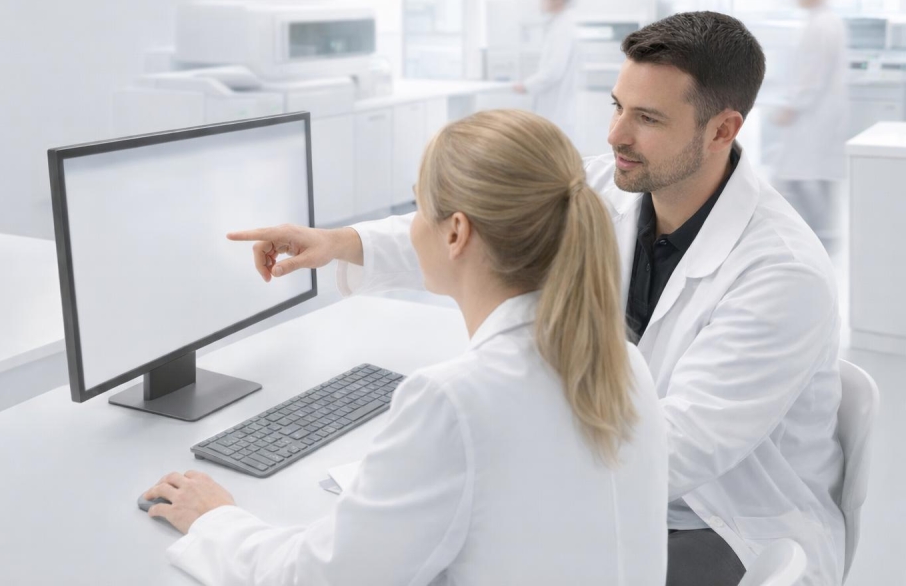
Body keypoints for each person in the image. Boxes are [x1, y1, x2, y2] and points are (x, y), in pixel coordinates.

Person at [219, 12, 845, 586]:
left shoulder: (783, 275)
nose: (616, 134)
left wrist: (457, 465)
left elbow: (672, 448)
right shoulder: (612, 185)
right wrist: (339, 242)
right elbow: (489, 230)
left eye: (648, 119)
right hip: (620, 486)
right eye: (617, 106)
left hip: (718, 522)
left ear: (723, 130)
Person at [143, 110, 669, 585]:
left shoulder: (454, 400)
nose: (413, 226)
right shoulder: (622, 362)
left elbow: (317, 579)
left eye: (420, 206)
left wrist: (216, 520)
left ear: (456, 232)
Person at [771, 0, 849, 245]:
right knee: (813, 176)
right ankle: (822, 235)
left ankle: (816, 237)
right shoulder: (826, 21)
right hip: (819, 114)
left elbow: (812, 74)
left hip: (812, 115)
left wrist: (791, 106)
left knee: (796, 175)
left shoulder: (821, 25)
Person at [513, 0, 581, 137]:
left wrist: (526, 85)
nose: (541, 2)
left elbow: (554, 71)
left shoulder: (564, 27)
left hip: (557, 109)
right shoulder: (559, 24)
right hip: (557, 108)